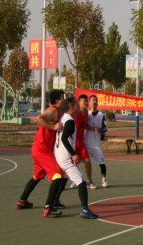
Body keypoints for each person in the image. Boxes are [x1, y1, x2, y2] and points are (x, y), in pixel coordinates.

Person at [16, 89, 65, 218]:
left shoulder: (57, 111)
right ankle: (48, 208)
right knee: (58, 175)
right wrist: (53, 127)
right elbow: (38, 119)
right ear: (57, 101)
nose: (64, 100)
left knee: (37, 176)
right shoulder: (53, 110)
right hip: (42, 150)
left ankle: (22, 201)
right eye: (62, 98)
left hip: (38, 149)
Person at [54, 97, 99, 219]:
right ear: (72, 107)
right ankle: (85, 209)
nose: (79, 106)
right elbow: (64, 139)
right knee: (81, 182)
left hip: (59, 155)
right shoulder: (70, 121)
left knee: (63, 178)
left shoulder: (64, 118)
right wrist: (73, 154)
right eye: (76, 104)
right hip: (65, 157)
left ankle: (54, 201)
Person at [84, 94, 109, 188]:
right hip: (86, 143)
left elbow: (105, 128)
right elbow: (82, 125)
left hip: (96, 144)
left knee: (102, 163)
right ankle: (80, 180)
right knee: (77, 162)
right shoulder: (86, 114)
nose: (94, 102)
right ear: (89, 102)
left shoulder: (101, 115)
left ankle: (104, 179)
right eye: (92, 100)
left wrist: (100, 129)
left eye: (96, 100)